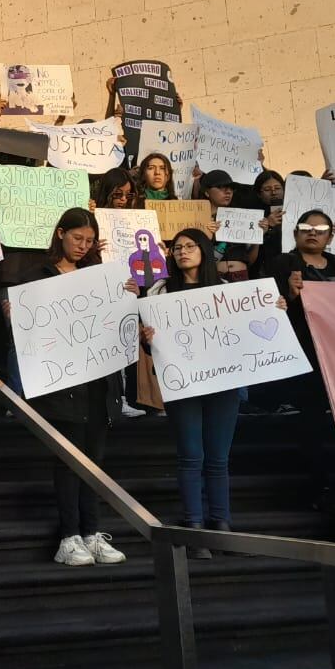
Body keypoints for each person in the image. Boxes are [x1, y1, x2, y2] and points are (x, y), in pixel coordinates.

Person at [141, 230, 287, 558]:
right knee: (191, 455)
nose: (182, 252)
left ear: (205, 251)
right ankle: (194, 527)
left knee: (218, 458)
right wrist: (148, 338)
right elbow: (152, 348)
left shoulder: (225, 291)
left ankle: (221, 524)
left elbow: (248, 330)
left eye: (189, 246)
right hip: (184, 384)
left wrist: (273, 309)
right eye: (177, 248)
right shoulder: (160, 291)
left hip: (222, 383)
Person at [8, 208, 133, 567]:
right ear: (60, 233)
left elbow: (118, 326)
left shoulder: (100, 276)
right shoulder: (36, 276)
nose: (83, 245)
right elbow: (25, 330)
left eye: (90, 240)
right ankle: (69, 536)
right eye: (77, 238)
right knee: (68, 463)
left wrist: (126, 297)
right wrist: (13, 315)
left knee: (94, 462)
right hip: (61, 386)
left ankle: (92, 533)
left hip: (99, 385)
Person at [270, 209, 335, 507]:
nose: (312, 232)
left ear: (331, 235)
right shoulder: (282, 264)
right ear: (295, 233)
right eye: (305, 227)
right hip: (305, 354)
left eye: (320, 229)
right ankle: (319, 488)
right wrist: (289, 296)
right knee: (313, 423)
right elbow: (266, 308)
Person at [251, 170, 286, 279]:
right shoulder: (253, 215)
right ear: (259, 194)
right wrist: (268, 226)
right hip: (264, 271)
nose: (273, 192)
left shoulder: (296, 210)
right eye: (267, 189)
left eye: (277, 188)